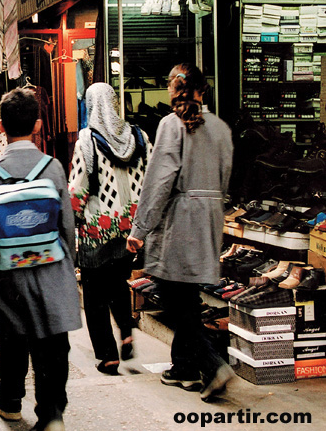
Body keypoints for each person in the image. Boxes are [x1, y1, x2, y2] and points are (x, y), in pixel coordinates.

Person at [0, 87, 81, 431]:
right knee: (52, 340)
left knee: (12, 339)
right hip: (50, 267)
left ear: (0, 127)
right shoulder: (53, 168)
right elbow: (67, 225)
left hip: (8, 273)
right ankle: (52, 413)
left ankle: (11, 402)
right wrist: (68, 265)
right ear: (39, 125)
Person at [126, 63, 234, 402]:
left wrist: (140, 227)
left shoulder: (170, 126)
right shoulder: (219, 127)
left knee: (173, 297)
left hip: (181, 218)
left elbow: (159, 181)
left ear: (173, 90)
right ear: (204, 89)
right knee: (186, 293)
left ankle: (212, 365)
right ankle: (183, 366)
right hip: (210, 216)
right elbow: (226, 175)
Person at [68, 83, 151, 375]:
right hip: (131, 227)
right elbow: (151, 179)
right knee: (118, 283)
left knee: (93, 293)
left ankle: (108, 355)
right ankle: (127, 332)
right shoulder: (140, 136)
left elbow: (78, 189)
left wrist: (70, 220)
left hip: (97, 228)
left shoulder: (87, 141)